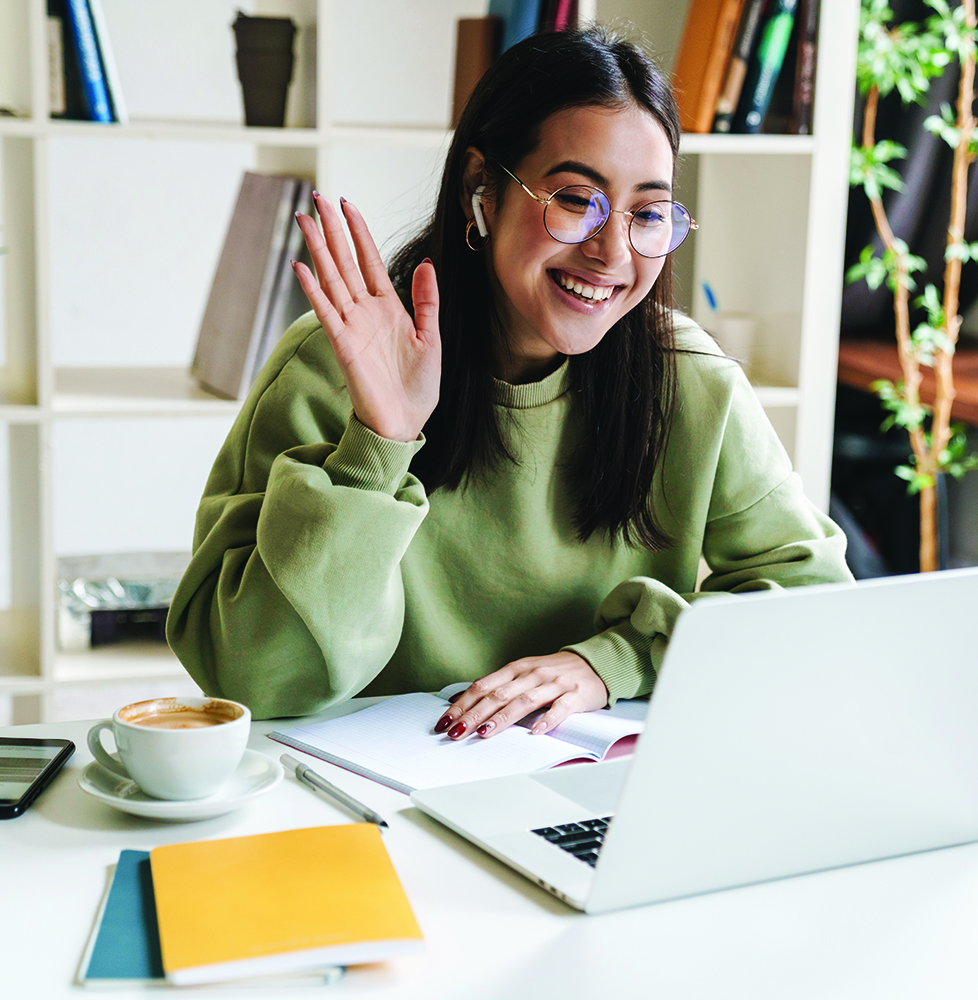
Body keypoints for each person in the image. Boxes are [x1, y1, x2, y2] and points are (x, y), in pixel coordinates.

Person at [166, 26, 852, 736]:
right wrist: (380, 443)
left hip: (596, 786)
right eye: (574, 199)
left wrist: (616, 661)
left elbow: (817, 609)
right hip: (373, 800)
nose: (612, 251)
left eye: (648, 214)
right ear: (483, 191)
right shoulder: (331, 365)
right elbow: (252, 678)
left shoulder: (689, 381)